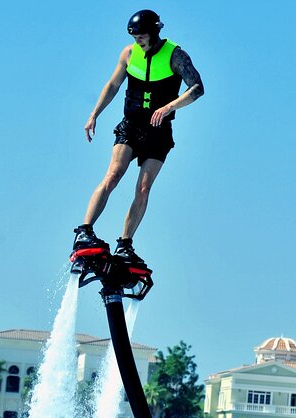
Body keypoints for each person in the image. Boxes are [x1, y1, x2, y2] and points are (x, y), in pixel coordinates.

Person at [73, 9, 204, 267]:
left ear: (154, 32)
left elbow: (198, 88)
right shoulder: (129, 53)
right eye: (135, 37)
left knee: (143, 189)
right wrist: (94, 114)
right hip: (131, 126)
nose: (138, 41)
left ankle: (125, 245)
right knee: (113, 175)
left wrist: (169, 107)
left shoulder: (175, 55)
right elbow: (112, 86)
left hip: (159, 131)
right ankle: (84, 231)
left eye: (142, 36)